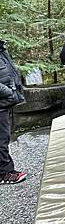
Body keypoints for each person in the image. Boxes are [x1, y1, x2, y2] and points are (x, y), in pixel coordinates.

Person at [0, 39, 26, 184]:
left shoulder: (1, 49)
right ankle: (5, 173)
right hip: (2, 102)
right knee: (1, 139)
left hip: (4, 102)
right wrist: (8, 92)